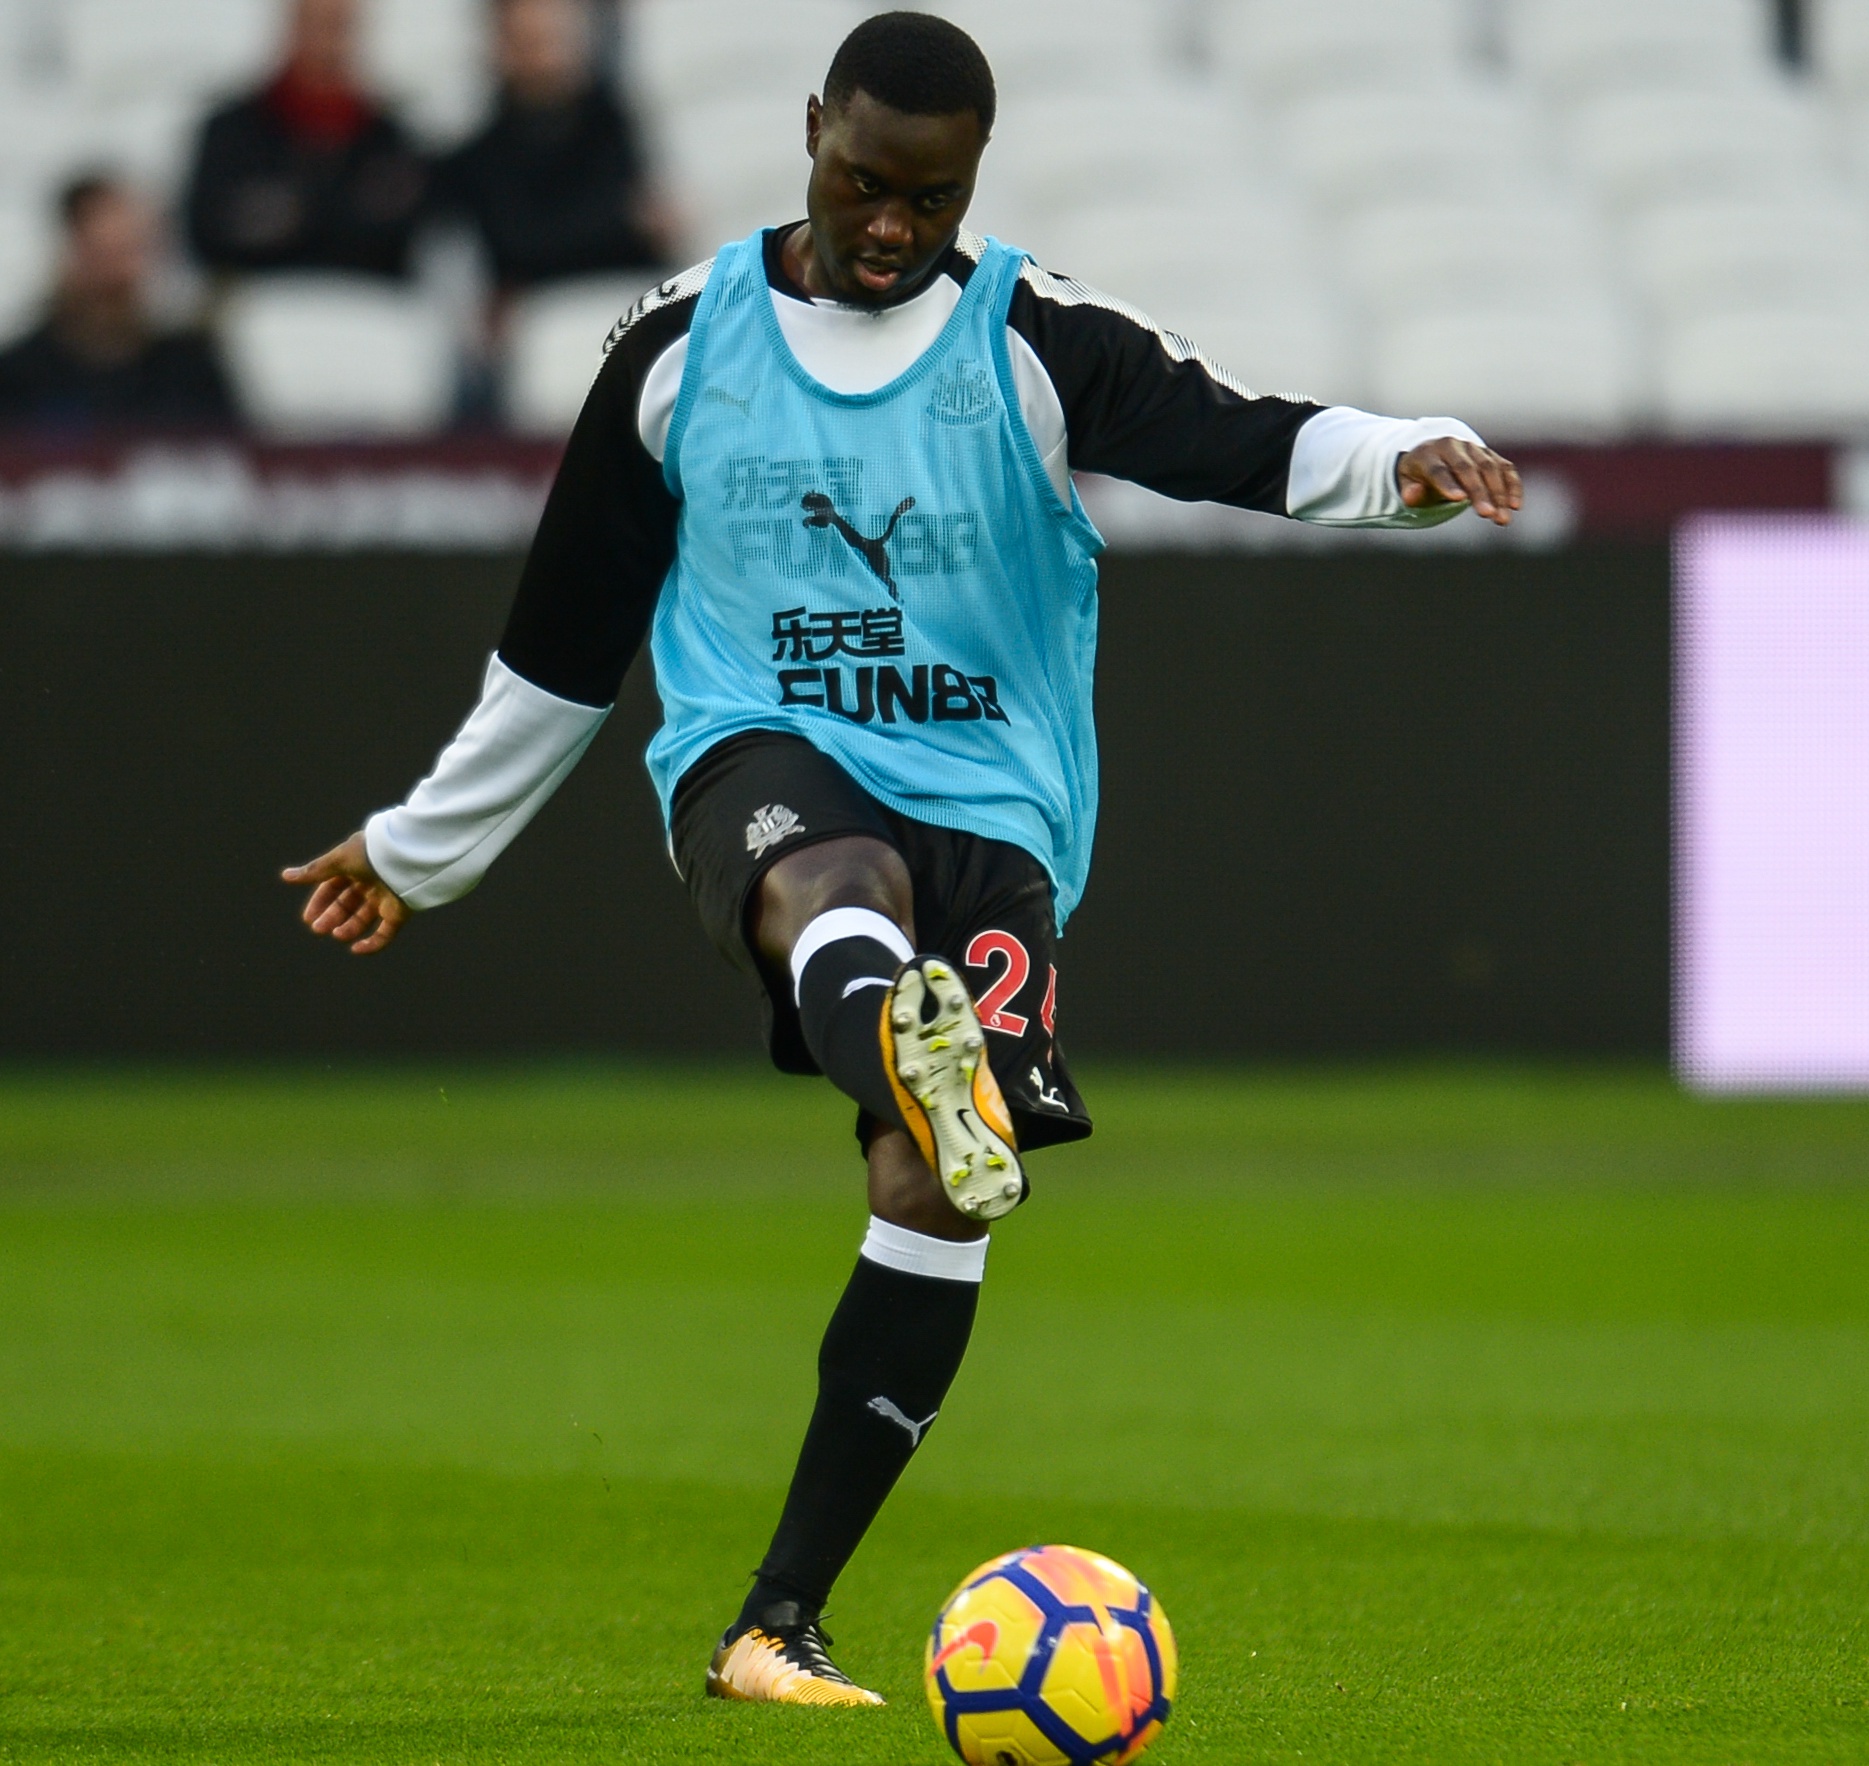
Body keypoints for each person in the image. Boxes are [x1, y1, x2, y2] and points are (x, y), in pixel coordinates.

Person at [279, 11, 1521, 1708]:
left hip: (994, 814)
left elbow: (1241, 437)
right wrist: (428, 849)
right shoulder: (674, 351)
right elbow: (564, 640)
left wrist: (1406, 454)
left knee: (933, 1189)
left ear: (968, 185)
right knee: (826, 888)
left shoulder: (1030, 335)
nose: (889, 225)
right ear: (809, 132)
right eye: (864, 182)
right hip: (757, 756)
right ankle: (907, 1031)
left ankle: (772, 1623)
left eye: (926, 200)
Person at [183, 0, 429, 278]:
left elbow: (409, 241)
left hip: (366, 310)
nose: (328, 42)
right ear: (291, 27)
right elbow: (209, 236)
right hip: (262, 307)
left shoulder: (391, 142)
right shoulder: (229, 136)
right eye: (316, 24)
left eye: (340, 26)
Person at [443, 0, 671, 293]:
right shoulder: (478, 158)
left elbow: (656, 237)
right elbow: (519, 244)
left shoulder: (615, 125)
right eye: (530, 43)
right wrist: (623, 221)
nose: (545, 60)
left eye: (554, 40)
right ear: (500, 47)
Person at [0, 176, 240, 432]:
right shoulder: (18, 375)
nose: (117, 276)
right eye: (102, 254)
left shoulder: (189, 369)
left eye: (130, 252)